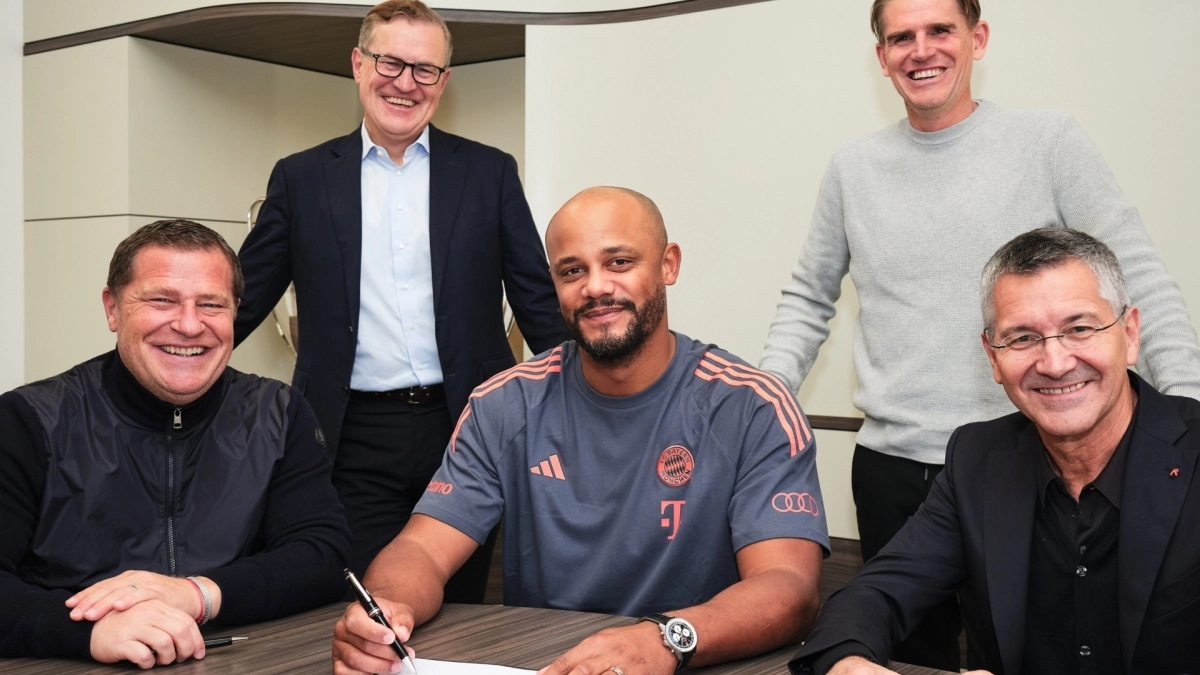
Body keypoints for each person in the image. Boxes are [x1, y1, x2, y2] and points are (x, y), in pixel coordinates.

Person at [759, 0, 1200, 667]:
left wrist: (1185, 422)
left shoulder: (1049, 141)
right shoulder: (853, 168)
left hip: (1033, 458)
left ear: (978, 38)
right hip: (894, 466)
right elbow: (807, 296)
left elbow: (1134, 277)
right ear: (881, 57)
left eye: (941, 29)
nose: (922, 50)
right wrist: (761, 409)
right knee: (902, 647)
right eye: (901, 37)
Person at [330, 187, 829, 675]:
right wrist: (387, 608)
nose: (595, 287)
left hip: (696, 660)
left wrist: (666, 638)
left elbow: (789, 586)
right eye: (572, 271)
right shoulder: (503, 403)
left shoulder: (753, 406)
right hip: (550, 664)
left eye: (619, 262)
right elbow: (421, 549)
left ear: (668, 265)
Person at [234, 0, 568, 598]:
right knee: (367, 606)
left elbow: (538, 303)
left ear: (444, 79)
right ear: (358, 64)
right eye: (390, 63)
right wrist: (169, 362)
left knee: (460, 607)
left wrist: (597, 399)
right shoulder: (301, 179)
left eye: (425, 69)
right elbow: (242, 298)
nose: (406, 83)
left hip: (470, 429)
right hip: (350, 437)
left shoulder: (489, 173)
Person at [790, 227, 1200, 675]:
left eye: (1079, 329)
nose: (1054, 363)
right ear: (992, 356)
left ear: (1130, 333)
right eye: (1022, 338)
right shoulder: (978, 460)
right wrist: (850, 664)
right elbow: (876, 594)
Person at [0, 220, 350, 667]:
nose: (189, 325)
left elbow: (322, 556)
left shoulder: (279, 413)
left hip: (240, 661)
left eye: (211, 304)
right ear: (112, 308)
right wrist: (89, 631)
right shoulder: (27, 421)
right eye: (162, 300)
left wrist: (195, 594)